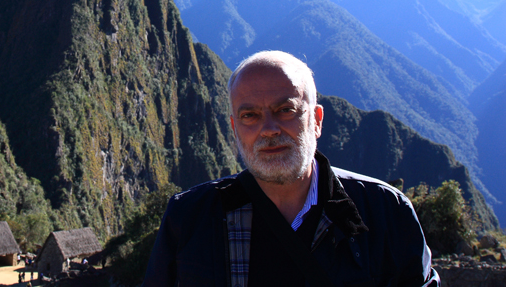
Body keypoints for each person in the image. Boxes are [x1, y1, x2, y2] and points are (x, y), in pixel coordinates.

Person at [144, 50, 440, 286]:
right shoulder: (190, 218)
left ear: (317, 120)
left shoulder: (385, 212)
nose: (269, 129)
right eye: (250, 115)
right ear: (234, 128)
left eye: (285, 110)